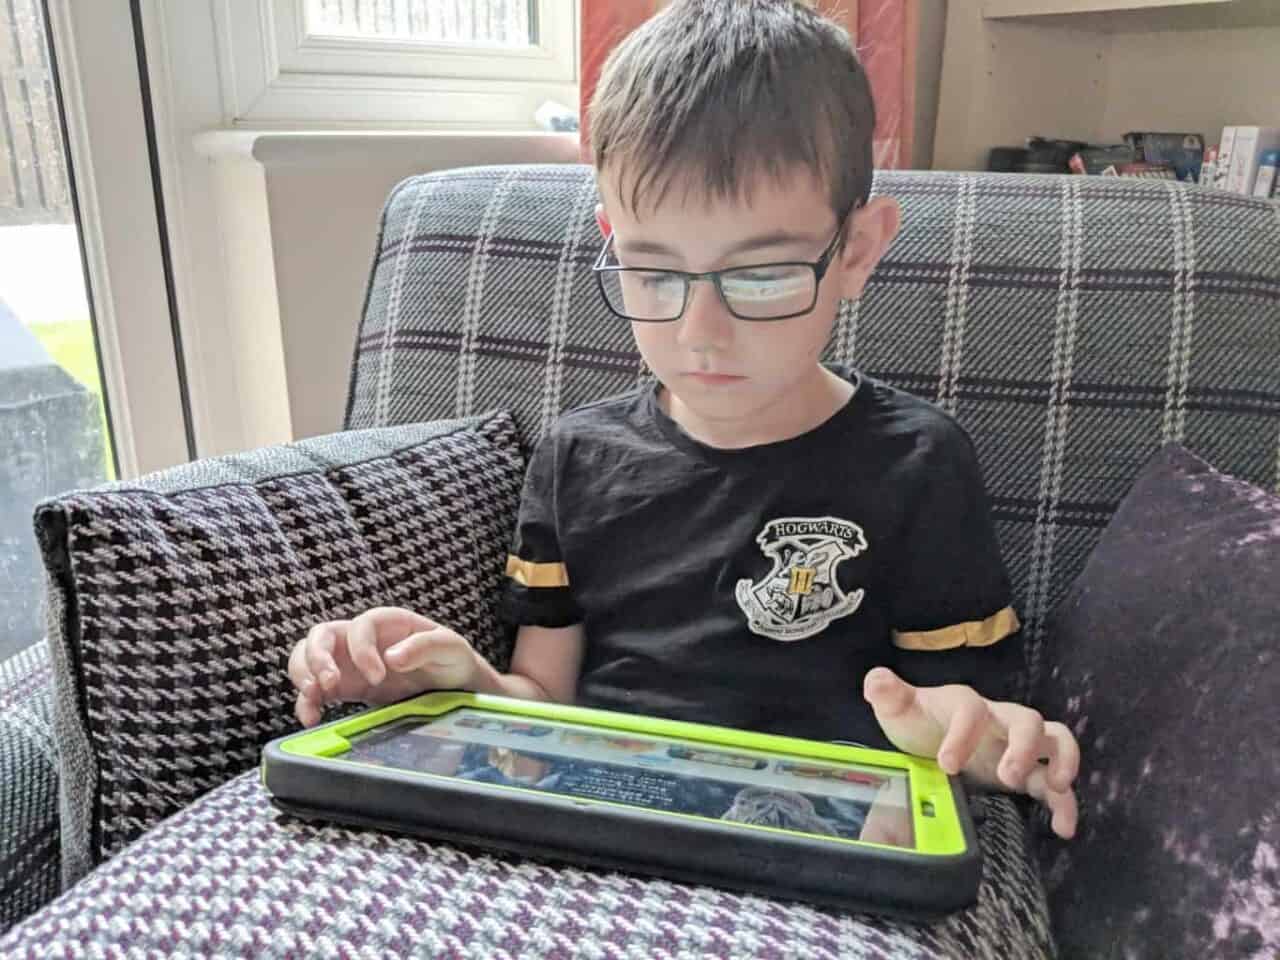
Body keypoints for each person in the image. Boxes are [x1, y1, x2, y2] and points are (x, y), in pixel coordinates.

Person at [287, 0, 1079, 840]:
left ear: (857, 251)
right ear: (612, 241)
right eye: (653, 273)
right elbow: (545, 700)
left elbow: (968, 719)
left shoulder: (917, 461)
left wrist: (978, 738)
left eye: (765, 275)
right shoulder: (574, 458)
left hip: (813, 841)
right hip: (599, 824)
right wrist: (458, 678)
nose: (700, 335)